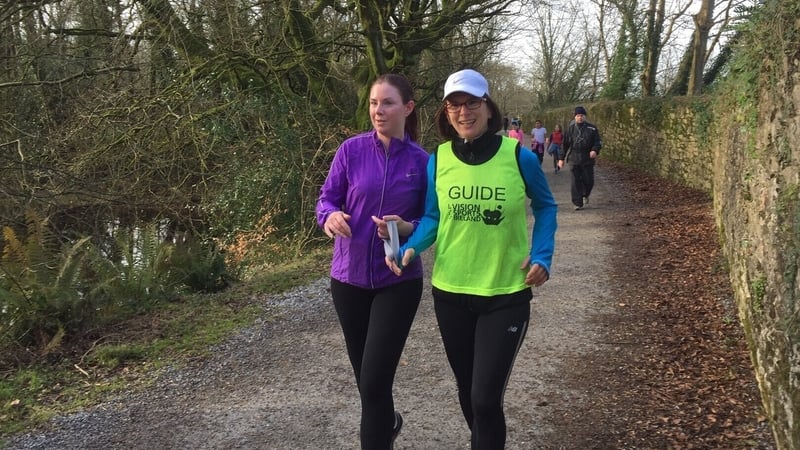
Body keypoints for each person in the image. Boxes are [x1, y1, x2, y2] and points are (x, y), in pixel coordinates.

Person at [386, 69, 558, 449]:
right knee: (468, 393)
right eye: (455, 105)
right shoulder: (440, 159)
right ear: (446, 112)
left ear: (488, 107)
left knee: (484, 397)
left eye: (472, 103)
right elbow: (434, 216)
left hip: (505, 294)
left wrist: (543, 255)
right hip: (450, 293)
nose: (464, 112)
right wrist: (412, 246)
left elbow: (546, 207)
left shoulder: (519, 157)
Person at [316, 73, 429, 450]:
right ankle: (388, 422)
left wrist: (408, 227)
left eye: (387, 103)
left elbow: (434, 220)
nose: (378, 111)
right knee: (368, 382)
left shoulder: (423, 162)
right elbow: (326, 199)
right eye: (373, 103)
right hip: (347, 280)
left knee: (375, 379)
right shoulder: (351, 150)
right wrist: (330, 216)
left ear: (407, 108)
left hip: (398, 280)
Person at [558, 106, 602, 210]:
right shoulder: (570, 129)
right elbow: (565, 144)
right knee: (575, 181)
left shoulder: (592, 128)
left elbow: (597, 142)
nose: (580, 118)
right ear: (575, 117)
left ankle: (585, 194)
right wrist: (561, 158)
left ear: (585, 117)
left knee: (589, 181)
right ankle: (577, 202)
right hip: (574, 157)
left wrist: (594, 150)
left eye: (582, 116)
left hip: (587, 157)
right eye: (578, 116)